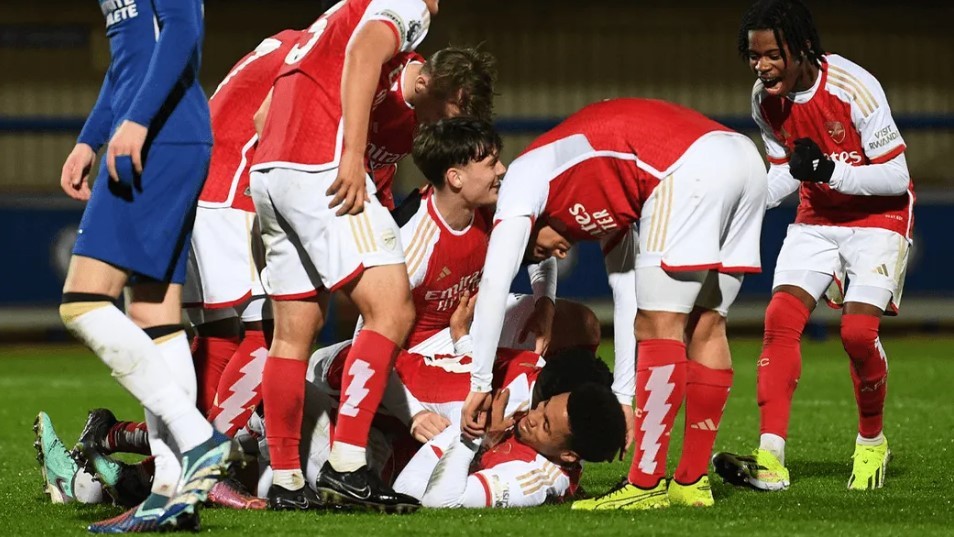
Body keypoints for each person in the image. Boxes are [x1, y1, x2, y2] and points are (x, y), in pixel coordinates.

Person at [460, 98, 767, 509]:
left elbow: (496, 283)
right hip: (743, 158)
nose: (556, 255)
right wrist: (624, 397)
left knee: (660, 326)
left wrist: (479, 383)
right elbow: (625, 290)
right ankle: (690, 482)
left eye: (537, 251)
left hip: (685, 166)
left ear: (524, 225)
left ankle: (645, 485)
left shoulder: (520, 181)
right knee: (707, 325)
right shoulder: (600, 191)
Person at [247, 0, 446, 513]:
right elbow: (362, 55)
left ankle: (288, 480)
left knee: (294, 333)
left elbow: (264, 113)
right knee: (393, 309)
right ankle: (348, 465)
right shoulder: (404, 8)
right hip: (322, 167)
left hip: (271, 169)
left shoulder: (336, 13)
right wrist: (351, 153)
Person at [713, 0, 912, 492]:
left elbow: (897, 175)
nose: (762, 66)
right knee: (779, 322)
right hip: (817, 216)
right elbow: (786, 171)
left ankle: (871, 443)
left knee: (857, 335)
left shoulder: (854, 87)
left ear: (801, 49)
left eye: (772, 55)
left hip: (878, 215)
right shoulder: (764, 99)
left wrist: (830, 171)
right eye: (754, 56)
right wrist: (744, 207)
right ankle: (771, 459)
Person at [56, 0, 238, 531]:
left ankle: (196, 438)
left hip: (161, 134)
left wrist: (135, 122)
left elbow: (184, 27)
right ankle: (171, 490)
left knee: (82, 301)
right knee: (155, 314)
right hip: (162, 132)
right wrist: (91, 137)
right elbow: (129, 58)